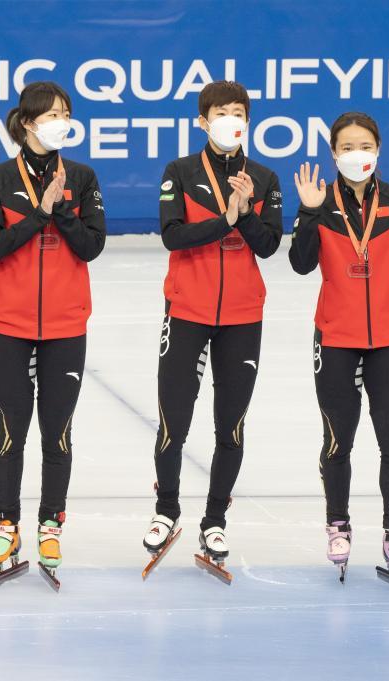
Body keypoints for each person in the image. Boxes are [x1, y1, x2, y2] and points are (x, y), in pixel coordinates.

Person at [289, 112, 389, 585]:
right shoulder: (321, 201)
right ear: (333, 153)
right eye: (347, 147)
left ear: (377, 149)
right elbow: (300, 264)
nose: (356, 154)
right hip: (335, 337)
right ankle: (338, 526)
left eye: (364, 145)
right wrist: (308, 212)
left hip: (388, 338)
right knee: (337, 440)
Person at [143, 80, 283, 573]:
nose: (231, 120)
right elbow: (173, 236)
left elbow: (269, 245)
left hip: (242, 316)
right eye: (222, 112)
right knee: (173, 419)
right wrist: (225, 219)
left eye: (239, 112)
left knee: (231, 424)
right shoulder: (180, 172)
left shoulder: (263, 177)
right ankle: (166, 510)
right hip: (187, 311)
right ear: (203, 121)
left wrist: (244, 216)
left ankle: (215, 519)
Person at [0, 81, 105, 584]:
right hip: (10, 322)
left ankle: (51, 523)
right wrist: (40, 213)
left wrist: (62, 209)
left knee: (58, 431)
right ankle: (6, 524)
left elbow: (91, 246)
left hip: (66, 324)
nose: (60, 122)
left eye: (65, 113)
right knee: (11, 431)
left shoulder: (83, 177)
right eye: (51, 114)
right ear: (27, 122)